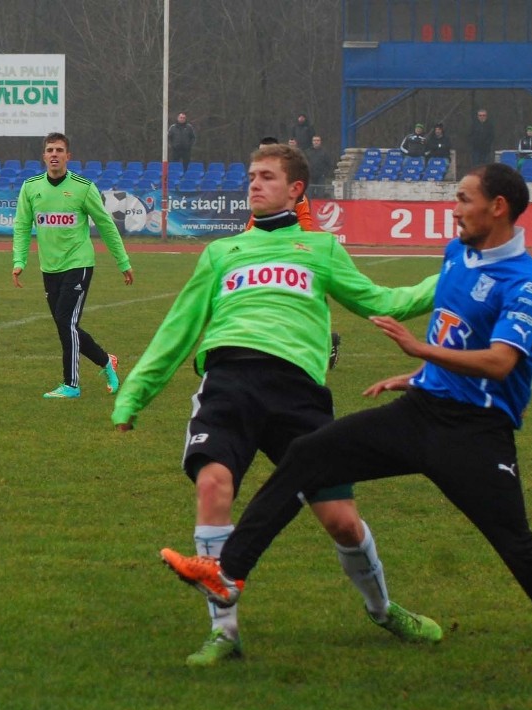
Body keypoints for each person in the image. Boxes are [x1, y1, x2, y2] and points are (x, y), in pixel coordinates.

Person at [162, 163, 532, 635]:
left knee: (517, 547)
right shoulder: (456, 254)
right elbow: (460, 337)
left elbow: (501, 362)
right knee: (306, 455)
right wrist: (420, 373)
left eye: (463, 199)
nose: (454, 209)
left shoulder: (524, 282)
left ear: (497, 207)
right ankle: (227, 573)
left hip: (475, 435)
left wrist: (419, 348)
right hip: (421, 412)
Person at [115, 144, 441, 667]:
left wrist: (448, 280)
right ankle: (224, 633)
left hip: (299, 393)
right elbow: (179, 328)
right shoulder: (222, 253)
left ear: (295, 189)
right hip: (230, 381)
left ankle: (382, 610)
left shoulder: (322, 250)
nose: (253, 184)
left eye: (266, 177)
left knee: (340, 520)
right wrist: (135, 392)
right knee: (213, 484)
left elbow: (383, 303)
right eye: (250, 176)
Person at [12, 131, 133, 399]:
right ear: (44, 156)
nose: (54, 154)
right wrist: (19, 261)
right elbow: (21, 227)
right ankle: (105, 361)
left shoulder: (83, 187)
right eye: (50, 150)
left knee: (66, 321)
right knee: (66, 326)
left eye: (59, 150)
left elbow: (106, 226)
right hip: (49, 267)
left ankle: (71, 385)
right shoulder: (30, 187)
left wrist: (122, 261)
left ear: (68, 156)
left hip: (79, 263)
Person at [246, 136, 341, 370]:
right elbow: (255, 222)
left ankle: (326, 340)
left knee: (300, 303)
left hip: (289, 250)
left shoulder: (292, 195)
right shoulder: (263, 194)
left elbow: (305, 222)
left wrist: (301, 249)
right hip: (266, 248)